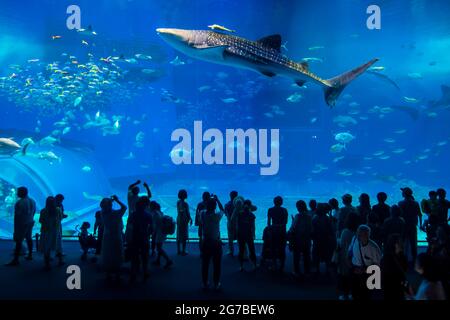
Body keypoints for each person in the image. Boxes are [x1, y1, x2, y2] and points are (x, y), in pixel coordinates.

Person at [199, 195, 225, 290]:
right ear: (215, 207)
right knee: (217, 264)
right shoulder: (217, 216)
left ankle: (205, 283)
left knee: (205, 264)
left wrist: (208, 201)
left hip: (205, 242)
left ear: (206, 205)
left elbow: (202, 209)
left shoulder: (202, 214)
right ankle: (216, 283)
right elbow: (223, 209)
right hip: (216, 243)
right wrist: (217, 199)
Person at [349, 225, 382, 300]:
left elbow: (378, 266)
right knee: (355, 293)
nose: (358, 236)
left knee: (366, 295)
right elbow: (350, 251)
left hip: (368, 276)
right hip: (355, 271)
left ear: (367, 236)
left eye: (361, 235)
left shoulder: (374, 248)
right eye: (357, 234)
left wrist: (364, 270)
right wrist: (351, 265)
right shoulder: (354, 239)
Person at [6, 187, 36, 266]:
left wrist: (16, 227)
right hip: (30, 222)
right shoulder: (32, 201)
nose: (17, 193)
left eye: (18, 192)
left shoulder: (20, 202)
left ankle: (16, 259)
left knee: (19, 241)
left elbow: (18, 215)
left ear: (22, 192)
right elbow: (33, 212)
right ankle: (30, 255)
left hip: (21, 224)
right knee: (29, 238)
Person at [100, 195, 127, 282]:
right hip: (116, 236)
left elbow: (106, 206)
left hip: (107, 236)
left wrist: (111, 201)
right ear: (110, 205)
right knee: (117, 254)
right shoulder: (115, 213)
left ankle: (108, 274)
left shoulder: (102, 213)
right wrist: (116, 200)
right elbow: (124, 207)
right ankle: (117, 275)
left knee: (108, 254)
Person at [127, 196, 152, 282]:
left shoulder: (133, 215)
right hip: (144, 238)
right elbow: (152, 228)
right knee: (144, 256)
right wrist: (148, 234)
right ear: (145, 206)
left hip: (134, 237)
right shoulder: (148, 215)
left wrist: (128, 238)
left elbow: (129, 226)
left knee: (134, 257)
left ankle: (133, 274)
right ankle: (145, 272)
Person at [336, 212, 359, 300]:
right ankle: (353, 294)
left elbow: (341, 244)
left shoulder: (345, 231)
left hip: (345, 257)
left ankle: (345, 295)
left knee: (345, 277)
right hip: (356, 256)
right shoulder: (359, 231)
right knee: (354, 276)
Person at [39, 196, 64, 269]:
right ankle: (60, 260)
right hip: (56, 232)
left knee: (46, 247)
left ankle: (47, 264)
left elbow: (40, 220)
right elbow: (61, 218)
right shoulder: (58, 210)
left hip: (46, 231)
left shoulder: (43, 211)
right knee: (58, 246)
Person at [381, 234, 409, 300]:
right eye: (400, 242)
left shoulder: (403, 257)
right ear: (395, 244)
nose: (403, 243)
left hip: (397, 287)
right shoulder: (387, 258)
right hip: (391, 287)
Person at [398, 187, 422, 263]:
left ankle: (402, 261)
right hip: (413, 226)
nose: (402, 193)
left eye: (403, 192)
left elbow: (399, 215)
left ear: (405, 194)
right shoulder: (415, 203)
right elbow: (420, 215)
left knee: (402, 244)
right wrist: (420, 225)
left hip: (403, 226)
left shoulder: (401, 203)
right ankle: (415, 261)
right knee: (413, 244)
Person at [288, 200, 312, 277]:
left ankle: (296, 271)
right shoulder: (309, 216)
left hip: (298, 239)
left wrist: (289, 233)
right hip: (307, 239)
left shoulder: (298, 216)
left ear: (298, 207)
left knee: (297, 255)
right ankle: (307, 271)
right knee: (306, 255)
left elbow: (293, 228)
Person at [311, 203, 334, 275]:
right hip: (325, 239)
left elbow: (312, 228)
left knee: (316, 253)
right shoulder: (327, 218)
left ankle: (317, 269)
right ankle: (327, 269)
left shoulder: (315, 217)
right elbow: (330, 229)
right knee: (326, 254)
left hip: (317, 239)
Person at [267, 196, 289, 271]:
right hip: (282, 231)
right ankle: (282, 264)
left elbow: (268, 223)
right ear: (281, 202)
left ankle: (274, 264)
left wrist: (271, 229)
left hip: (273, 231)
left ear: (274, 202)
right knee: (282, 248)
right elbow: (285, 222)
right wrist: (279, 226)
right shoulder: (284, 210)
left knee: (273, 248)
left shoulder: (270, 210)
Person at [237, 199, 257, 271]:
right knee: (252, 249)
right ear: (250, 206)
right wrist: (253, 234)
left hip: (241, 234)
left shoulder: (239, 213)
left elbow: (238, 224)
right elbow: (253, 226)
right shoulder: (251, 215)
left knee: (241, 250)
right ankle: (254, 265)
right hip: (248, 234)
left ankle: (241, 266)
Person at [151, 201, 173, 269]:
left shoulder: (154, 214)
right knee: (159, 247)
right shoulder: (160, 212)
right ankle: (158, 260)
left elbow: (156, 224)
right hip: (163, 232)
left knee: (159, 248)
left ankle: (168, 260)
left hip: (159, 233)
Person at [176, 189, 192, 255]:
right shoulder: (185, 204)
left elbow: (180, 211)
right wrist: (190, 219)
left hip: (179, 219)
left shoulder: (178, 202)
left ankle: (178, 250)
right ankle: (183, 250)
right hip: (184, 221)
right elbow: (187, 213)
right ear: (184, 195)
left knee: (179, 234)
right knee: (184, 235)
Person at [224, 191, 238, 256]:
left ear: (230, 196)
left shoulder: (227, 205)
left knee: (230, 238)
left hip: (230, 222)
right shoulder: (239, 204)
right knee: (240, 238)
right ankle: (242, 251)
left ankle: (231, 251)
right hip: (238, 223)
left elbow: (226, 214)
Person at [55, 194, 67, 260]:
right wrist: (63, 216)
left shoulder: (60, 205)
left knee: (57, 238)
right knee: (58, 238)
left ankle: (56, 252)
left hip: (57, 224)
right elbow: (60, 215)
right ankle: (58, 252)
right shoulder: (58, 206)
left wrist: (62, 215)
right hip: (56, 224)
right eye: (61, 200)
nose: (61, 201)